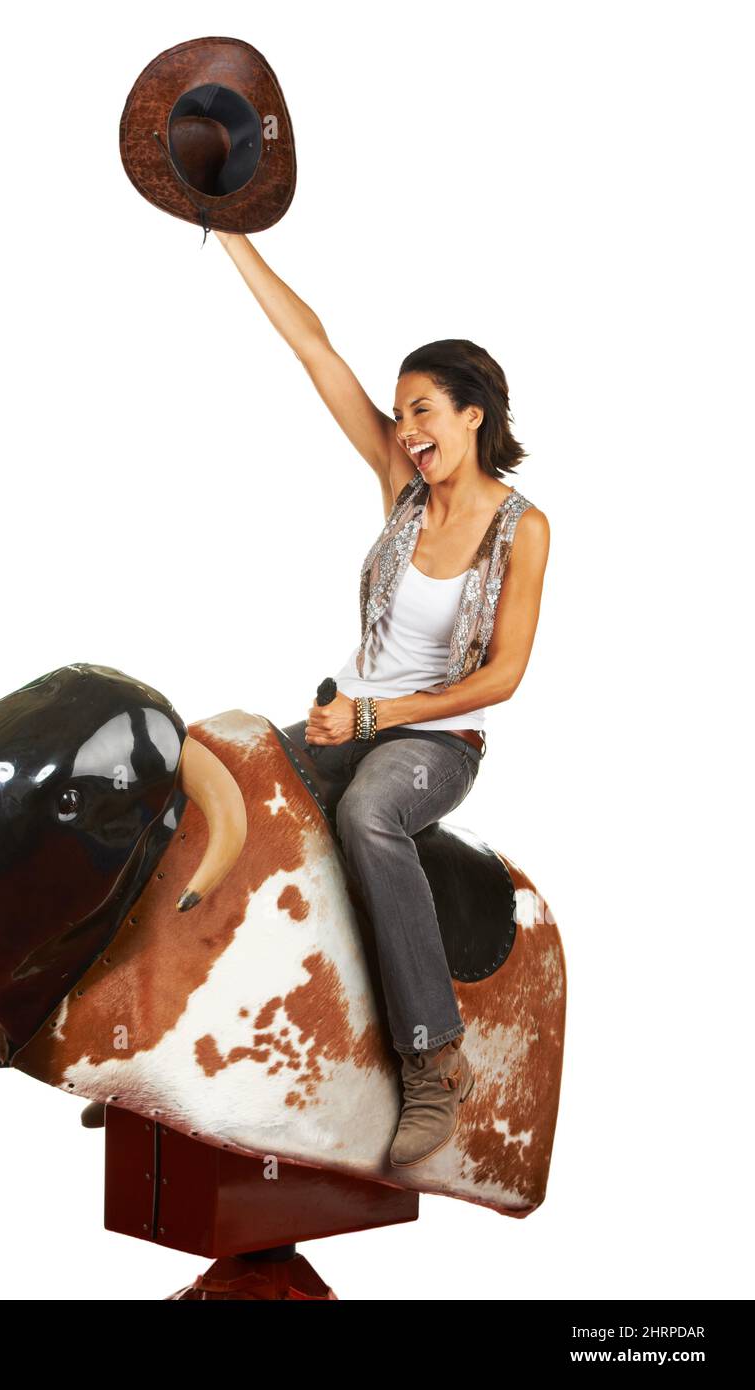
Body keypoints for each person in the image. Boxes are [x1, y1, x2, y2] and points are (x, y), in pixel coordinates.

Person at [214, 231, 551, 1167]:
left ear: (474, 417)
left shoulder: (524, 530)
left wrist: (373, 720)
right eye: (400, 413)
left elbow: (502, 677)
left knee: (368, 812)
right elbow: (314, 347)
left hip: (439, 741)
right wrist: (230, 233)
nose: (406, 429)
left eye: (423, 410)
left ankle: (434, 1063)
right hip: (353, 712)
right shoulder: (403, 488)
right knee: (229, 778)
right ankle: (205, 1019)